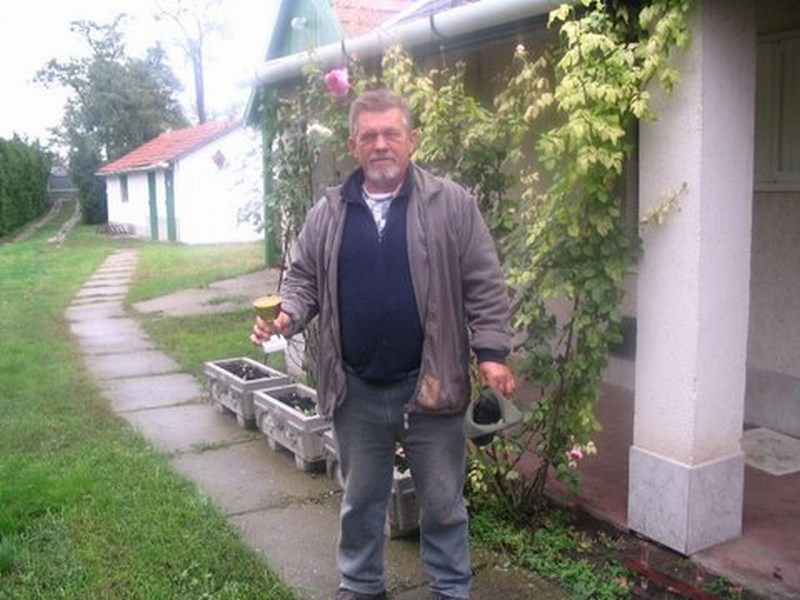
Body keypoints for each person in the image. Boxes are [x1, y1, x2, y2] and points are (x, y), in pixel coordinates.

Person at [251, 88, 515, 600]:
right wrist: (287, 314)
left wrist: (492, 354)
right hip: (356, 389)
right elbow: (303, 278)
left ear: (412, 140)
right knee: (361, 501)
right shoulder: (329, 212)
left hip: (432, 384)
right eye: (368, 136)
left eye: (391, 133)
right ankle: (361, 584)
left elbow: (484, 282)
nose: (380, 145)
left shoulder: (450, 204)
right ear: (353, 145)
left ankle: (450, 589)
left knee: (443, 503)